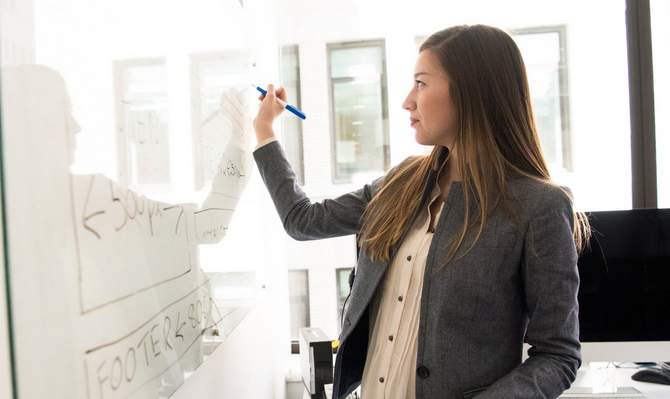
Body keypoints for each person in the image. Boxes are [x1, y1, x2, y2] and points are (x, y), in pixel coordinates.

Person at [252, 24, 589, 399]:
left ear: (471, 91)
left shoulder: (538, 207)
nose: (407, 101)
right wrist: (265, 130)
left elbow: (557, 355)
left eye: (421, 83)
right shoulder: (401, 183)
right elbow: (303, 220)